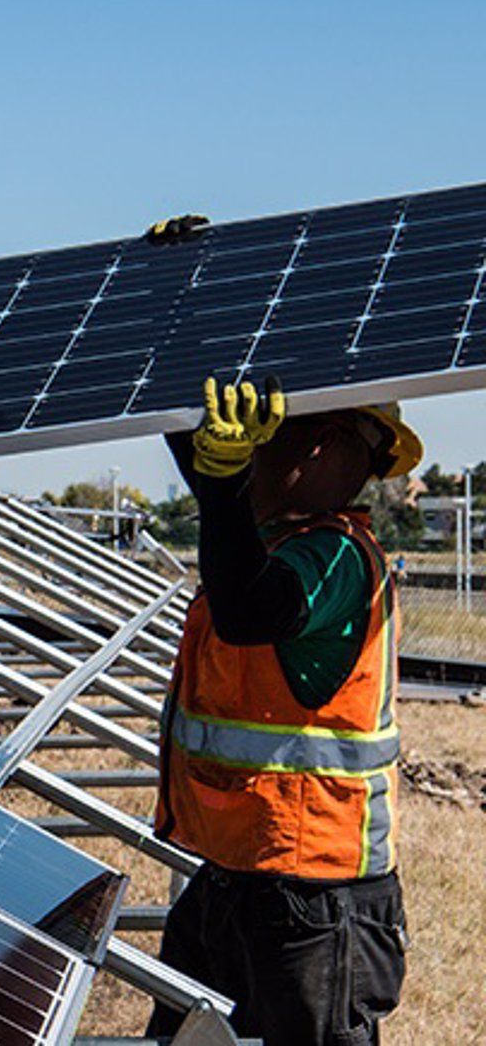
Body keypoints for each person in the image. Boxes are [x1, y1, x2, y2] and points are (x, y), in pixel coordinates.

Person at [148, 377, 418, 1046]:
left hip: (313, 898)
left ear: (325, 447)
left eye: (267, 437)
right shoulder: (268, 540)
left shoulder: (335, 559)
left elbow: (246, 608)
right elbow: (222, 505)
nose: (248, 453)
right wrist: (172, 389)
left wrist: (223, 474)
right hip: (239, 878)